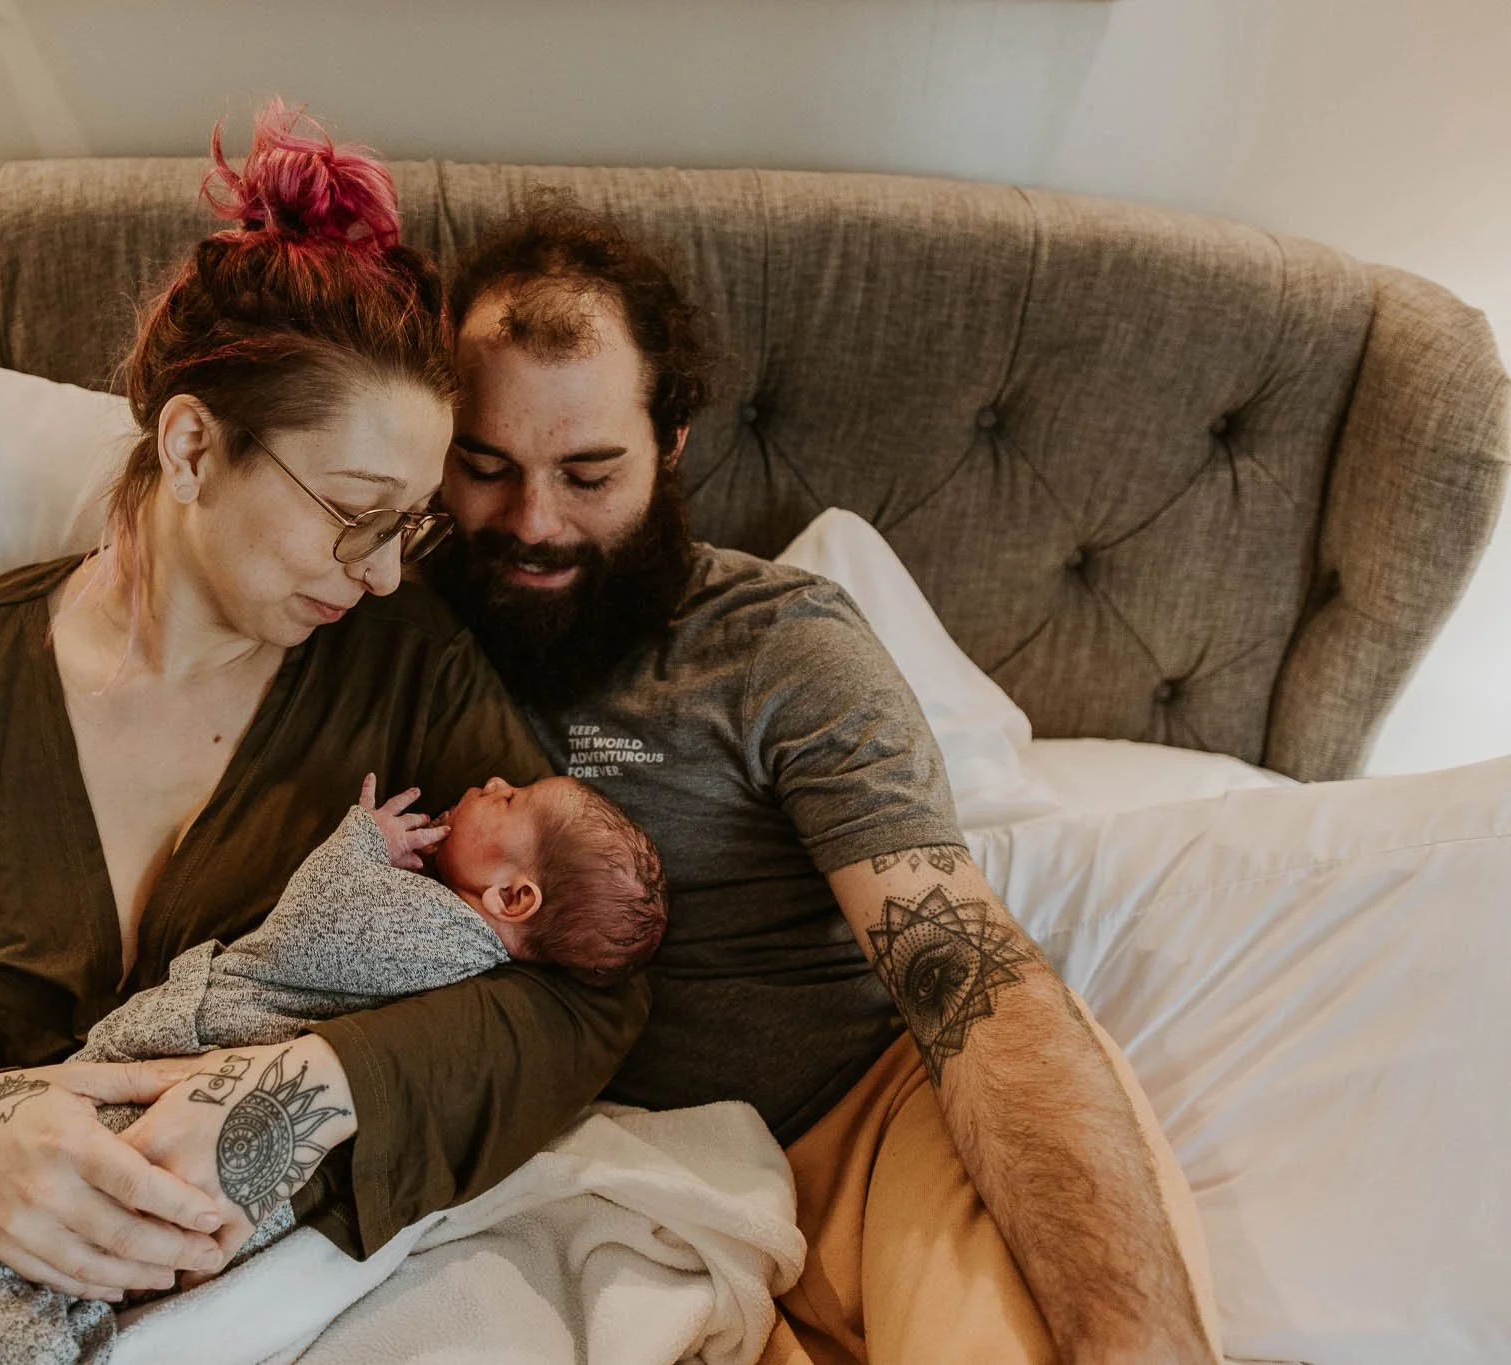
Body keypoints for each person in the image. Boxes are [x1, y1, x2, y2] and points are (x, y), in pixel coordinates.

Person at [0, 106, 648, 1312]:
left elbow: (586, 991)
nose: (386, 570)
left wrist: (323, 1079)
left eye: (409, 525)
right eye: (353, 513)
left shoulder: (402, 663)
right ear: (188, 447)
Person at [425, 194, 1222, 1365]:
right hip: (588, 1190)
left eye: (589, 474)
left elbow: (962, 969)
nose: (532, 523)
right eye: (484, 466)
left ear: (673, 447)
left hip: (866, 1127)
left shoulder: (777, 645)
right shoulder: (382, 630)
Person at [0, 773, 666, 1364]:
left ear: (514, 900)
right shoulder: (479, 960)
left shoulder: (439, 930)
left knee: (41, 1248)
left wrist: (361, 842)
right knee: (75, 1258)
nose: (490, 778)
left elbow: (307, 930)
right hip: (229, 1156)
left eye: (511, 796)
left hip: (189, 1073)